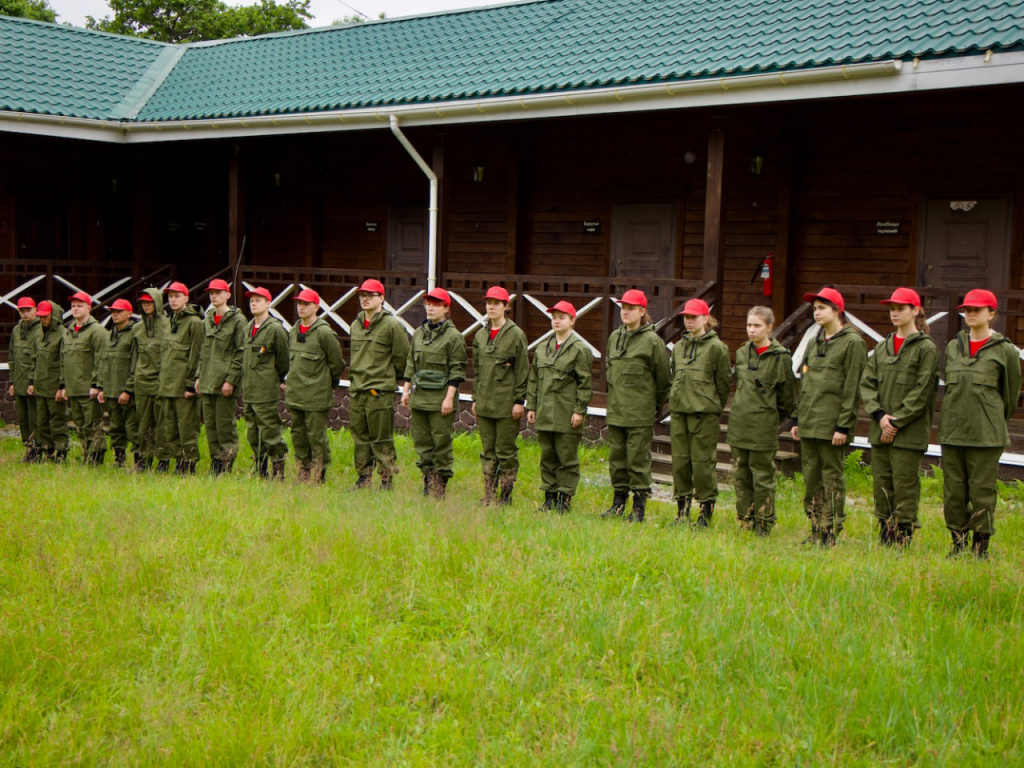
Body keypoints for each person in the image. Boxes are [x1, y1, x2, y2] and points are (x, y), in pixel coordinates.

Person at [938, 288, 1022, 559]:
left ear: (991, 314)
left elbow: (1009, 396)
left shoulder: (1005, 350)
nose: (970, 314)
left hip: (986, 435)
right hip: (952, 431)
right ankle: (957, 543)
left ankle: (979, 548)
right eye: (967, 310)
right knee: (953, 491)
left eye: (976, 310)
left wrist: (990, 418)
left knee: (982, 491)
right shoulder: (953, 346)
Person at [859, 288, 938, 547]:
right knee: (882, 482)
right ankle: (885, 535)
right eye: (892, 308)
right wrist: (880, 416)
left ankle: (902, 538)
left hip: (908, 432)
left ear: (915, 310)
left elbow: (923, 390)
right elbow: (867, 384)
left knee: (904, 484)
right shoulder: (882, 348)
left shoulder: (926, 348)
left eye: (901, 307)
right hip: (880, 428)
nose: (894, 312)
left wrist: (895, 421)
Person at [791, 287, 867, 547]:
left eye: (822, 308)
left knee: (831, 478)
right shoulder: (814, 341)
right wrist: (798, 420)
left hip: (832, 425)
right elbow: (806, 383)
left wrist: (843, 426)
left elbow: (852, 389)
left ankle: (830, 532)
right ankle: (814, 528)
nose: (816, 313)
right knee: (811, 478)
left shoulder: (853, 343)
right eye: (814, 309)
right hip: (810, 422)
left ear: (837, 310)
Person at [725, 306, 796, 536]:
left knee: (763, 477)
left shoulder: (780, 356)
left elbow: (787, 397)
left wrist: (771, 417)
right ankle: (745, 519)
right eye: (749, 325)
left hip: (763, 427)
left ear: (769, 327)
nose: (752, 330)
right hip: (739, 425)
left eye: (757, 325)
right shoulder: (743, 351)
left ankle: (763, 524)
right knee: (741, 475)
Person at [602, 289, 671, 522]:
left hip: (639, 413)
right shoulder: (615, 337)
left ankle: (638, 509)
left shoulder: (652, 341)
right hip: (617, 411)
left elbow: (663, 379)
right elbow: (609, 372)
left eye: (631, 308)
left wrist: (654, 406)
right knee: (617, 460)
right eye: (623, 308)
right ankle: (618, 504)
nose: (626, 312)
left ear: (642, 312)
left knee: (637, 461)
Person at [667, 298, 730, 527]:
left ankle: (705, 513)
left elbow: (723, 384)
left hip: (704, 415)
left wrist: (710, 404)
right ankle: (682, 511)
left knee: (703, 464)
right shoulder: (679, 347)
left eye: (694, 317)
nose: (689, 321)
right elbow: (673, 376)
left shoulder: (717, 348)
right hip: (679, 412)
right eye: (686, 317)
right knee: (680, 463)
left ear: (705, 318)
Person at [526, 300, 593, 512]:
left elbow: (585, 383)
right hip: (545, 411)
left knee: (566, 458)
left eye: (562, 317)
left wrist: (579, 410)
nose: (556, 321)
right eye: (554, 317)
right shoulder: (542, 348)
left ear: (572, 321)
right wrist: (532, 406)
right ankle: (549, 497)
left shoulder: (579, 350)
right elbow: (534, 379)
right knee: (547, 457)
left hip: (566, 413)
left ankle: (564, 500)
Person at [401, 287, 468, 499]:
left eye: (436, 304)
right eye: (428, 304)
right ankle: (427, 482)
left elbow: (457, 369)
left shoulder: (454, 336)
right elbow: (411, 362)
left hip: (441, 399)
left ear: (446, 308)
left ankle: (439, 487)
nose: (430, 308)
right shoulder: (419, 333)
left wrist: (449, 398)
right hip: (420, 397)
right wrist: (405, 390)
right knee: (422, 442)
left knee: (440, 443)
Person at [349, 278, 410, 490]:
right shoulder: (355, 326)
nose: (365, 299)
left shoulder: (392, 325)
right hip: (358, 391)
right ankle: (363, 479)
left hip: (378, 392)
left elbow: (402, 358)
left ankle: (386, 480)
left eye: (370, 295)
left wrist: (392, 382)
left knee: (381, 438)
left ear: (382, 298)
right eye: (362, 296)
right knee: (360, 438)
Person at [471, 285, 529, 505]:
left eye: (496, 303)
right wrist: (475, 398)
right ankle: (489, 493)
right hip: (485, 402)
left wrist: (519, 401)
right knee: (488, 450)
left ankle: (505, 495)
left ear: (506, 306)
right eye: (488, 303)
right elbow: (477, 370)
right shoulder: (480, 334)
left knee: (505, 450)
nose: (491, 307)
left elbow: (522, 370)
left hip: (506, 404)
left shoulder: (515, 335)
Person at [284, 288, 346, 483]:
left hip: (316, 396)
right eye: (299, 303)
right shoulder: (294, 330)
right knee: (298, 435)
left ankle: (319, 474)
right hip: (296, 394)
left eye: (306, 304)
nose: (301, 307)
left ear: (316, 307)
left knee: (316, 437)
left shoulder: (325, 333)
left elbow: (337, 364)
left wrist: (328, 384)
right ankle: (303, 472)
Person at [195, 278, 245, 475]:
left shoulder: (237, 320)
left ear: (227, 295)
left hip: (224, 382)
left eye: (218, 292)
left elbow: (240, 352)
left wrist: (231, 380)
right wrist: (199, 376)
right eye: (211, 293)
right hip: (207, 380)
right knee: (210, 427)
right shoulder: (207, 318)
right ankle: (215, 463)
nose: (214, 296)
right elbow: (203, 351)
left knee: (225, 427)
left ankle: (226, 465)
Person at [242, 286, 290, 479]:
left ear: (268, 303)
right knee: (253, 433)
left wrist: (276, 379)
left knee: (270, 431)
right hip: (249, 389)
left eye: (258, 300)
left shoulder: (275, 329)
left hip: (266, 389)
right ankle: (260, 469)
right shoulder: (247, 328)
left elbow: (283, 360)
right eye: (251, 300)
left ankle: (278, 470)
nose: (253, 303)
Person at [157, 282, 203, 474]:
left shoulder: (195, 323)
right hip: (167, 385)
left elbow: (197, 354)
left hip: (184, 386)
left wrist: (190, 384)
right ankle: (178, 462)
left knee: (187, 427)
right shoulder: (169, 321)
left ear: (186, 298)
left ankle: (189, 463)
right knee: (170, 427)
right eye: (170, 297)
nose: (173, 300)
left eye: (177, 296)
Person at [124, 288, 169, 471]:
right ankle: (143, 459)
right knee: (143, 423)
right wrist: (130, 384)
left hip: (161, 381)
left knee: (162, 423)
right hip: (141, 382)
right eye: (143, 302)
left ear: (157, 303)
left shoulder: (168, 325)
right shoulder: (137, 328)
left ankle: (163, 460)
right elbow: (134, 358)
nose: (146, 305)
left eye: (149, 302)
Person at [61, 291, 106, 464]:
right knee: (80, 425)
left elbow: (101, 359)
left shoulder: (97, 331)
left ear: (89, 307)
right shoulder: (69, 332)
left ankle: (96, 455)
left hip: (89, 388)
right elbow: (64, 360)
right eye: (73, 306)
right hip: (74, 388)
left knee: (92, 424)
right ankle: (87, 453)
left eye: (79, 306)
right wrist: (64, 385)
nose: (75, 309)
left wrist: (96, 385)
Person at [96, 298, 139, 469]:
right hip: (111, 391)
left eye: (119, 311)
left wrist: (128, 390)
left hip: (127, 392)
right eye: (113, 311)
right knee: (115, 428)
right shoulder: (109, 335)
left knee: (133, 427)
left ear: (129, 313)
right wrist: (101, 387)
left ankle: (139, 461)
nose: (115, 314)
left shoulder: (134, 334)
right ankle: (118, 459)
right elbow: (103, 363)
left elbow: (136, 364)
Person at [29, 301, 69, 462]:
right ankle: (48, 451)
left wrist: (62, 386)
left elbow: (64, 362)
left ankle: (61, 452)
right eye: (40, 317)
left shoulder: (63, 334)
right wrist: (31, 382)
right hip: (40, 385)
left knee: (58, 421)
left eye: (45, 317)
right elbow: (34, 359)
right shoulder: (38, 334)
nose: (42, 320)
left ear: (53, 316)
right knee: (41, 421)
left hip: (54, 386)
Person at [7, 296, 41, 462]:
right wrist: (12, 381)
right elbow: (12, 356)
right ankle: (28, 449)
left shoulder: (41, 329)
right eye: (22, 311)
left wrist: (33, 382)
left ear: (35, 310)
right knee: (23, 418)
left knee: (35, 417)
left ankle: (37, 449)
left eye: (28, 310)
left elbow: (40, 358)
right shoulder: (16, 330)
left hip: (33, 382)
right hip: (19, 381)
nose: (25, 314)